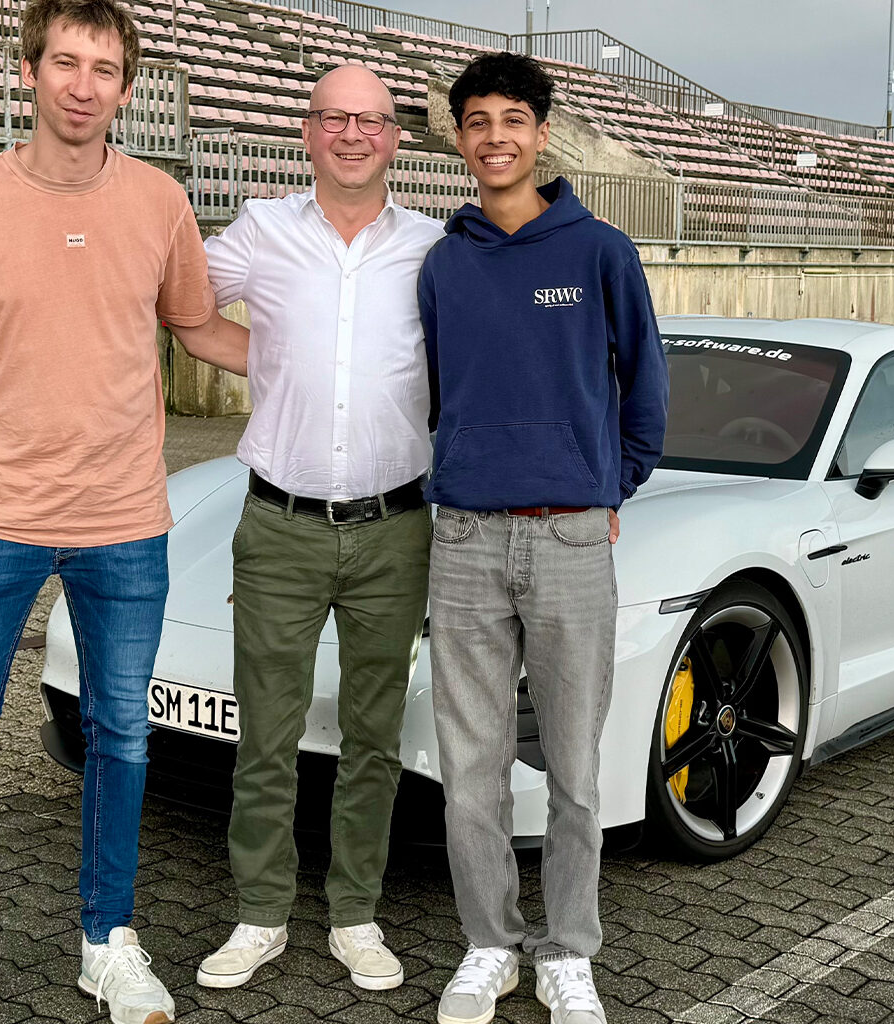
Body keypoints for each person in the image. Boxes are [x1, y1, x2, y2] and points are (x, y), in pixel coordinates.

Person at [0, 2, 246, 1021]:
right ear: (31, 70)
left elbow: (200, 327)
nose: (85, 85)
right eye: (67, 63)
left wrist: (334, 371)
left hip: (126, 521)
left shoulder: (160, 201)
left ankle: (108, 941)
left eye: (107, 68)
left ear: (128, 86)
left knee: (122, 733)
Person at [180, 64, 446, 994]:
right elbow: (183, 304)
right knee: (268, 733)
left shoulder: (431, 247)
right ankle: (259, 916)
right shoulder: (261, 229)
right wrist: (272, 361)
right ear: (307, 131)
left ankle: (356, 916)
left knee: (373, 738)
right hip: (282, 525)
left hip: (394, 527)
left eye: (369, 119)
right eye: (334, 118)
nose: (351, 134)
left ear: (395, 137)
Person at [417, 52, 667, 1024]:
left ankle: (568, 950)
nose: (494, 138)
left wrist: (610, 486)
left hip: (570, 544)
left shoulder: (601, 252)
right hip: (467, 539)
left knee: (573, 769)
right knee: (469, 773)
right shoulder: (446, 263)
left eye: (511, 120)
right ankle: (489, 943)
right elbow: (443, 394)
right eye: (475, 121)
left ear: (541, 133)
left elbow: (645, 393)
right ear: (460, 137)